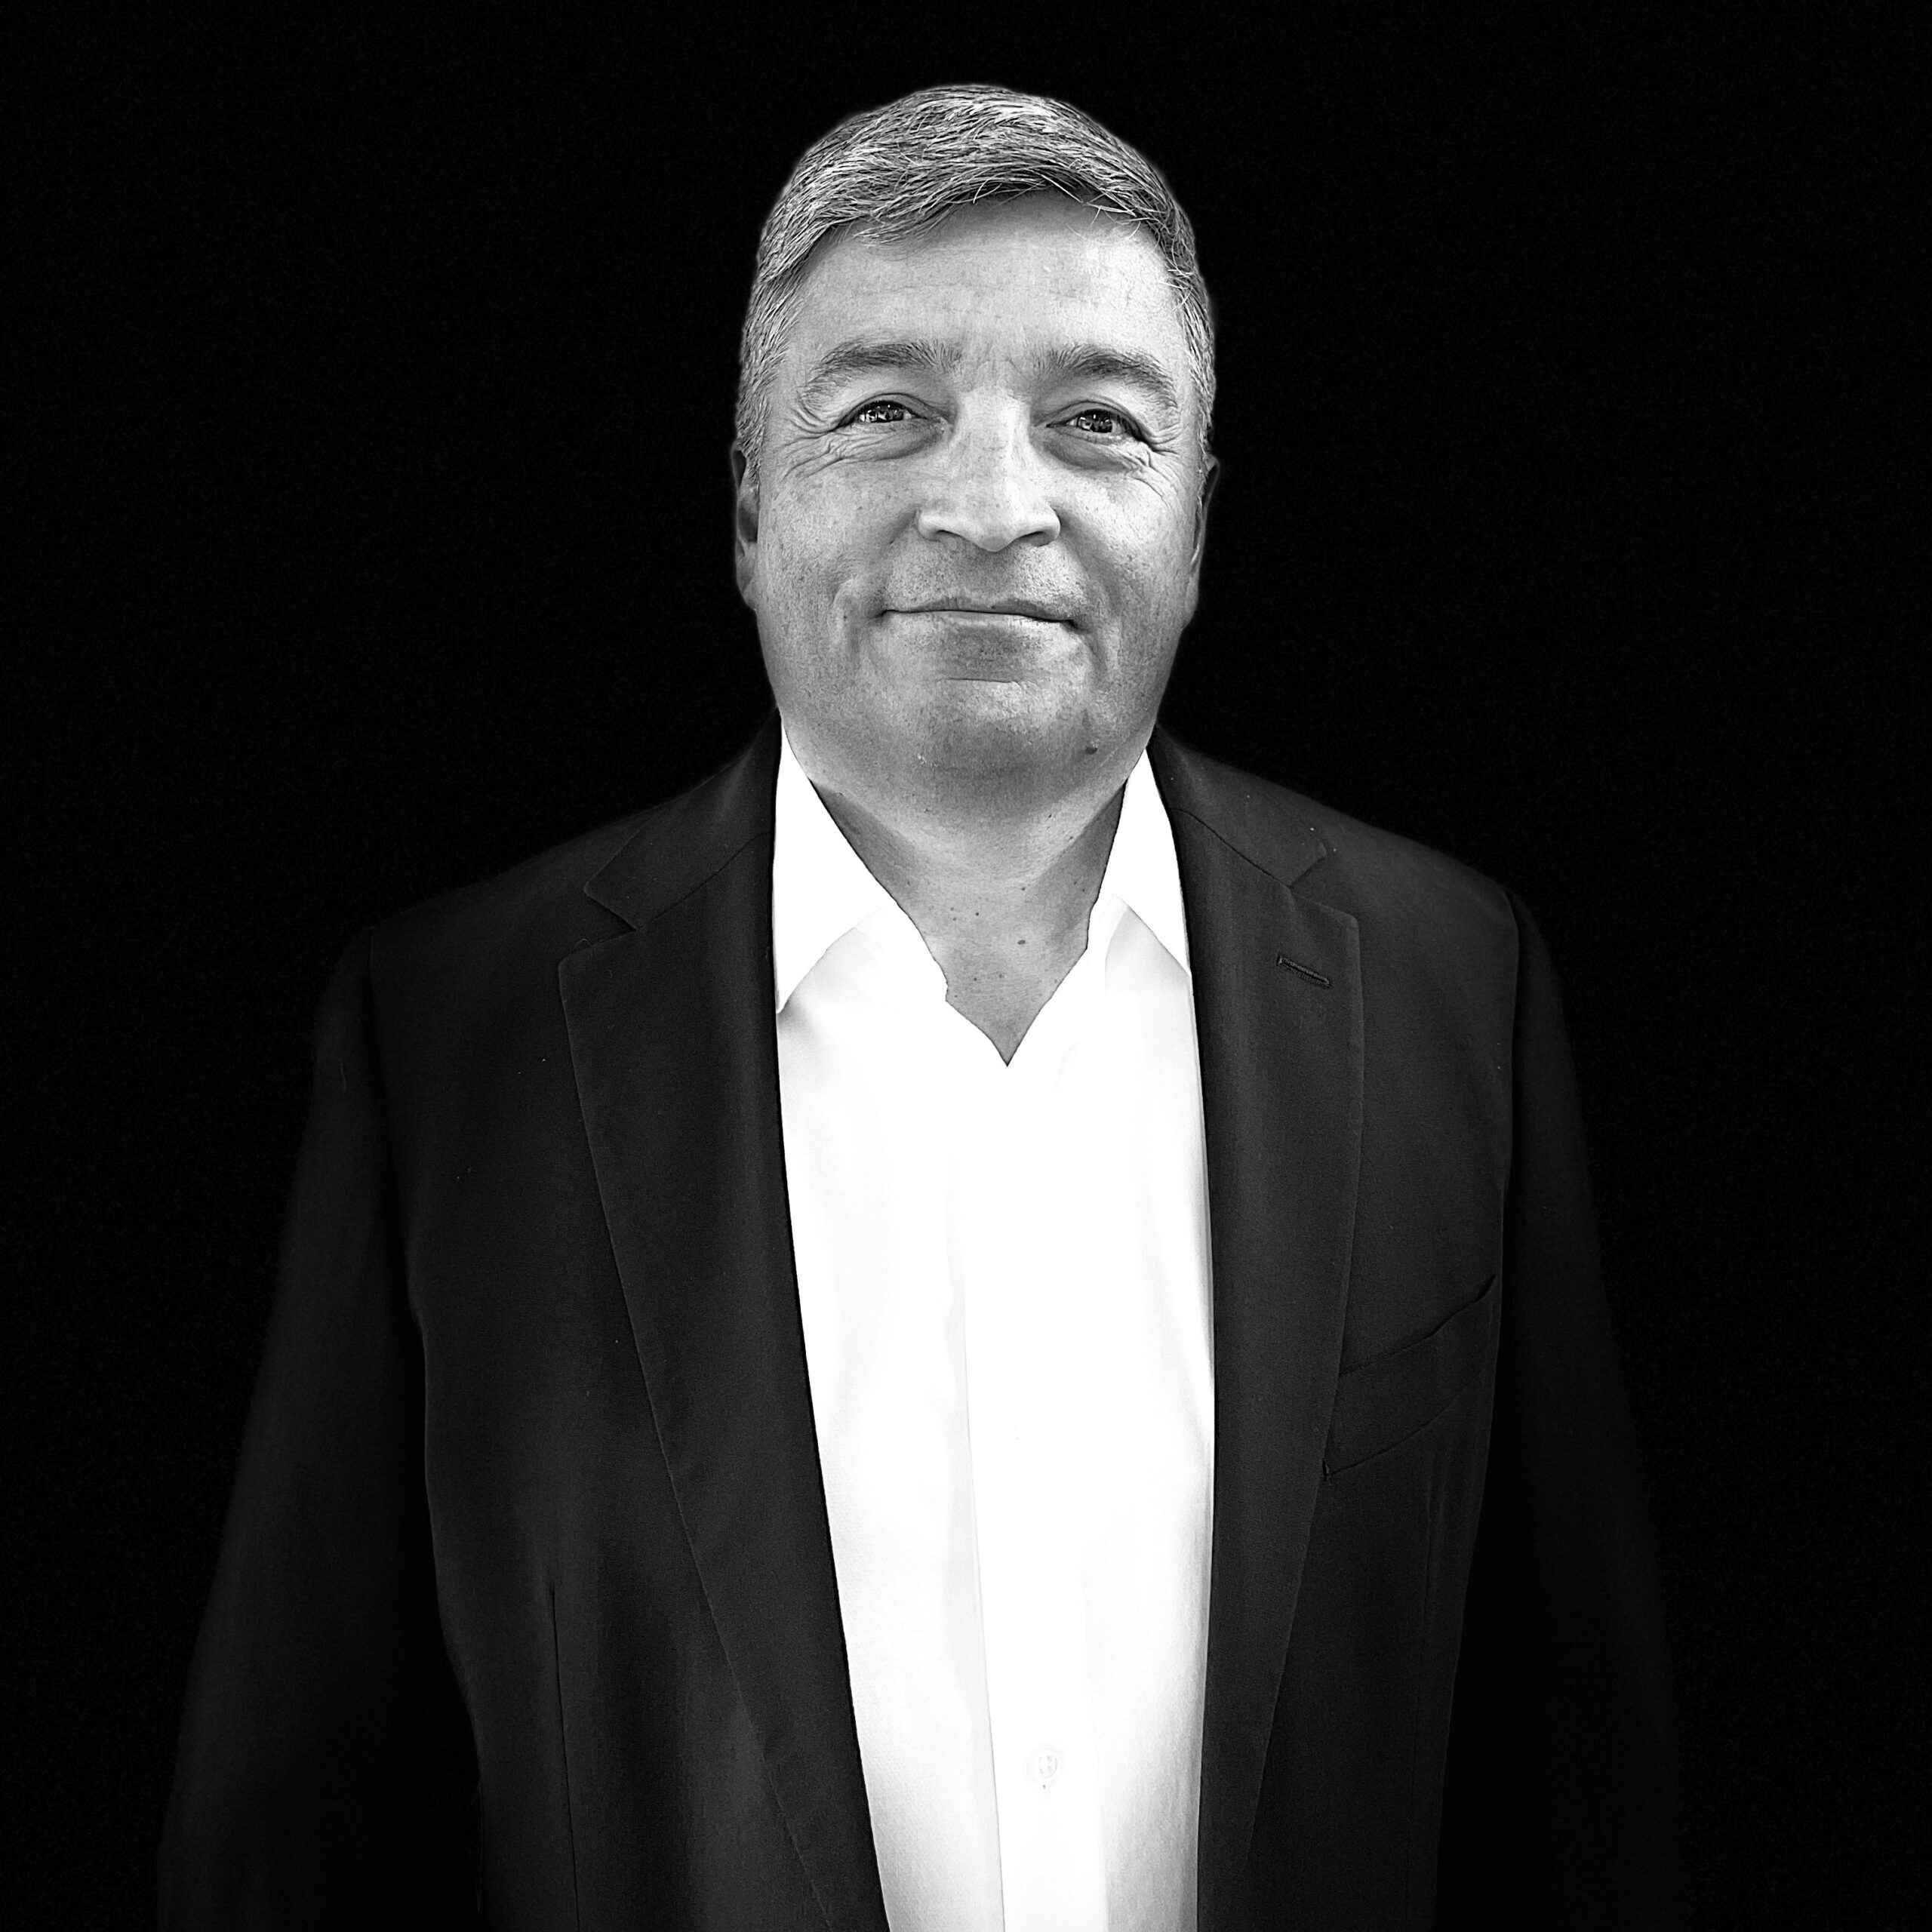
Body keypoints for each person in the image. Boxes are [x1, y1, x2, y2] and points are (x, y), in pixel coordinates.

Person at [159, 82, 1681, 1931]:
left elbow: (1580, 1785)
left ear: (1195, 517)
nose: (990, 502)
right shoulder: (451, 1045)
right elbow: (292, 1831)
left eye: (1094, 423)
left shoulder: (1453, 986)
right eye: (884, 411)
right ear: (743, 504)